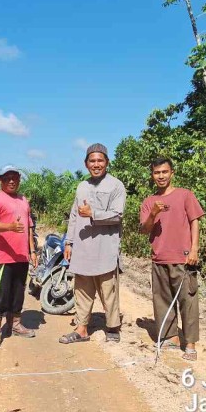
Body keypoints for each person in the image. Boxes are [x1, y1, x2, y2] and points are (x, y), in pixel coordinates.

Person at [59, 143, 126, 344]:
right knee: (82, 290)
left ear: (107, 162)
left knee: (109, 291)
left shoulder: (116, 185)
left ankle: (113, 327)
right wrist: (69, 242)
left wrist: (93, 214)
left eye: (100, 160)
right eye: (92, 161)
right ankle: (81, 329)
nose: (96, 164)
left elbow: (118, 215)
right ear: (86, 163)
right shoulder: (82, 186)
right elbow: (73, 215)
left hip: (105, 247)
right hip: (82, 247)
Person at [140, 158, 205, 361]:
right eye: (157, 173)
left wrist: (194, 249)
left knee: (188, 301)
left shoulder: (185, 195)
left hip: (183, 258)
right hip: (159, 258)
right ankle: (171, 337)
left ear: (172, 173)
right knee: (162, 300)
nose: (161, 176)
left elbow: (195, 221)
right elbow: (144, 229)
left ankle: (190, 343)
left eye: (164, 172)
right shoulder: (149, 202)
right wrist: (154, 213)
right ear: (152, 175)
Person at [0, 165, 39, 348]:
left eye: (15, 177)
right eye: (7, 178)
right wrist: (9, 227)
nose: (12, 181)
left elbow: (30, 228)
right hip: (2, 257)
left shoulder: (23, 200)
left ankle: (14, 325)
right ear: (0, 180)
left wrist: (32, 251)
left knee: (17, 294)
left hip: (21, 257)